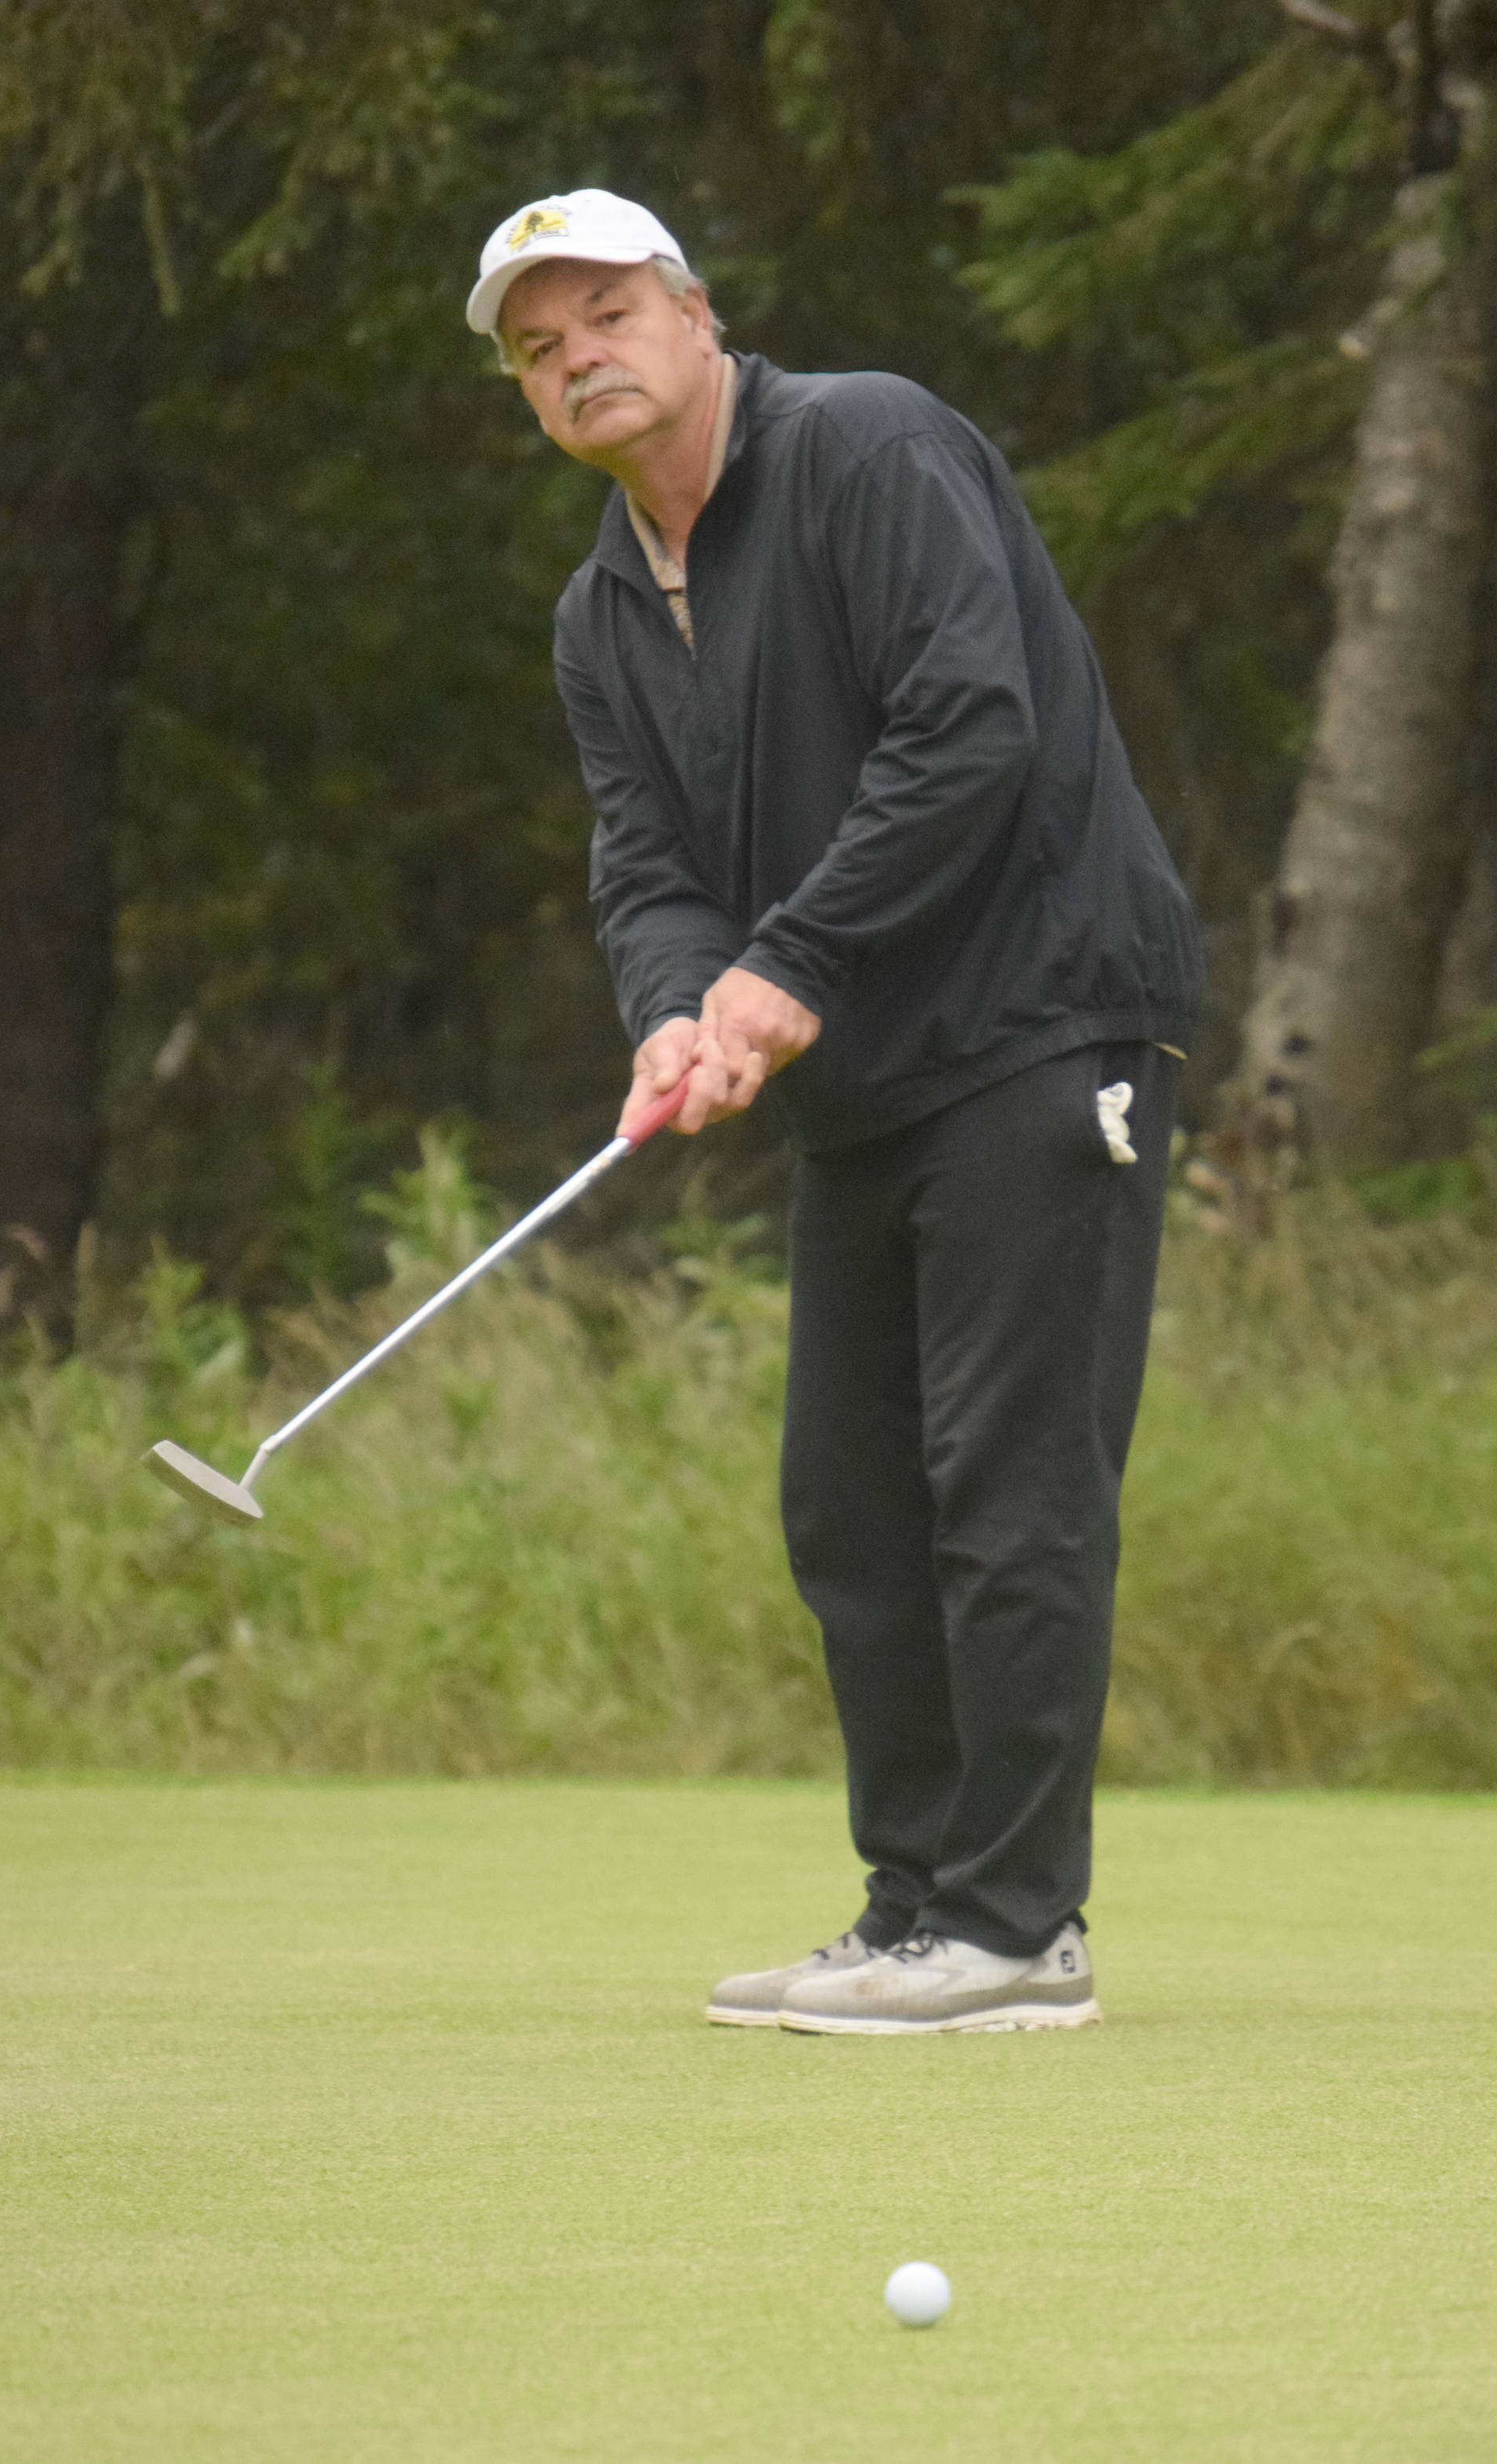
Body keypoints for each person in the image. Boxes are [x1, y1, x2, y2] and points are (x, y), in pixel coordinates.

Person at [466, 190, 1204, 2036]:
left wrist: (784, 966)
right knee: (852, 1505)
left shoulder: (865, 442)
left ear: (696, 315)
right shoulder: (600, 613)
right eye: (539, 348)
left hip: (1042, 1030)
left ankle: (1021, 1926)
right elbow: (646, 863)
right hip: (867, 1084)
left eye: (607, 313)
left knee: (1007, 1487)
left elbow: (976, 725)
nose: (580, 358)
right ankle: (914, 1914)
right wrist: (668, 1015)